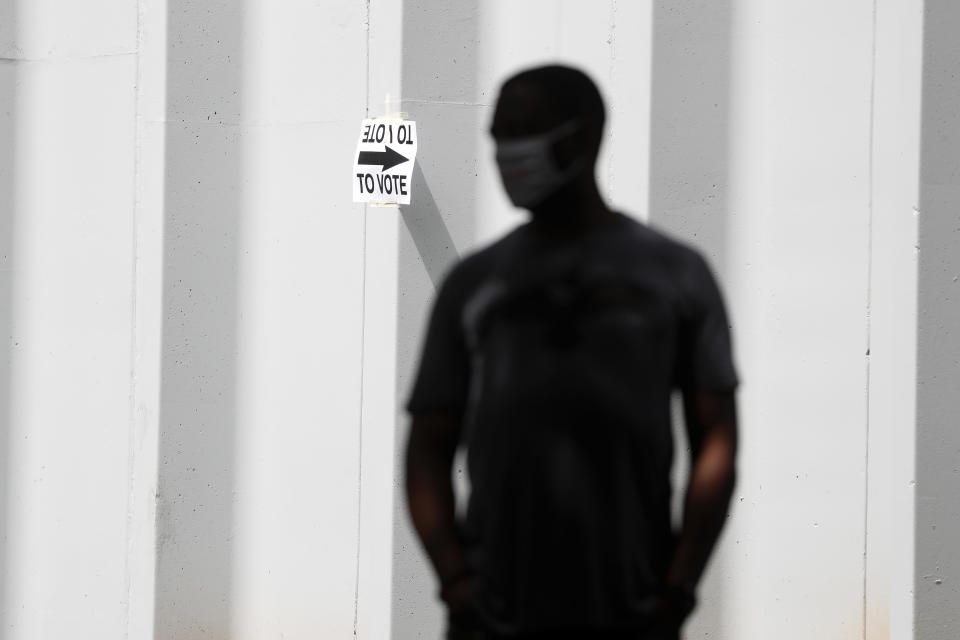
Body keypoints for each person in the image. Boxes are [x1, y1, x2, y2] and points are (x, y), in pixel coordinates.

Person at [404, 64, 739, 640]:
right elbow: (428, 447)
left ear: (584, 136)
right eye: (498, 134)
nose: (507, 150)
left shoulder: (676, 276)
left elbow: (718, 440)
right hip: (494, 618)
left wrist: (677, 589)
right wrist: (458, 587)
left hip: (632, 615)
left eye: (524, 129)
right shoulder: (473, 286)